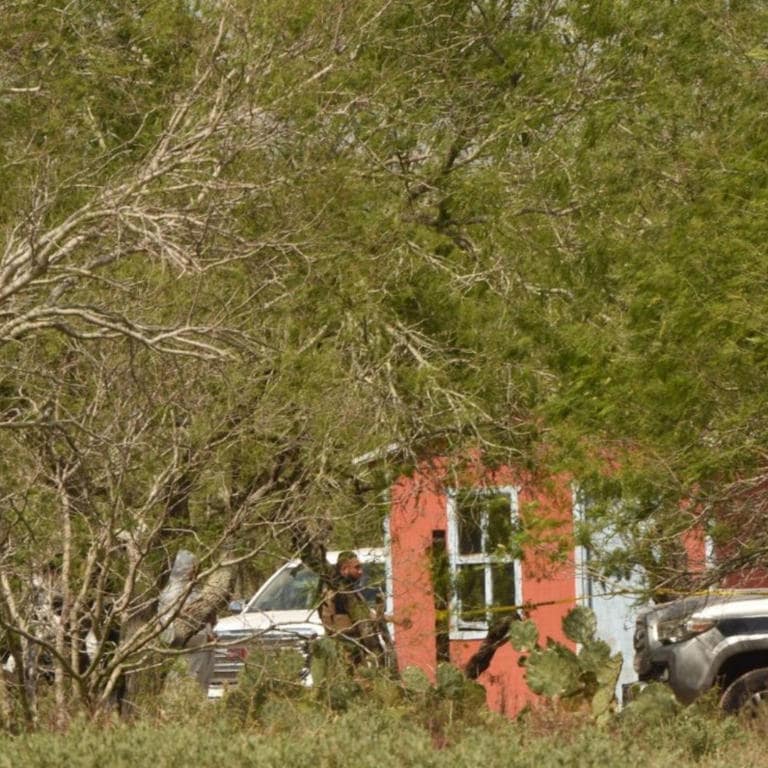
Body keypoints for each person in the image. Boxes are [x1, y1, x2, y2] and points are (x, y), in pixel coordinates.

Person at [318, 551, 387, 667]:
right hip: (346, 656)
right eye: (357, 568)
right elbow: (335, 625)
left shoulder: (350, 592)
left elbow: (365, 616)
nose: (361, 572)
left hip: (357, 654)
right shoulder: (336, 593)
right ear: (344, 569)